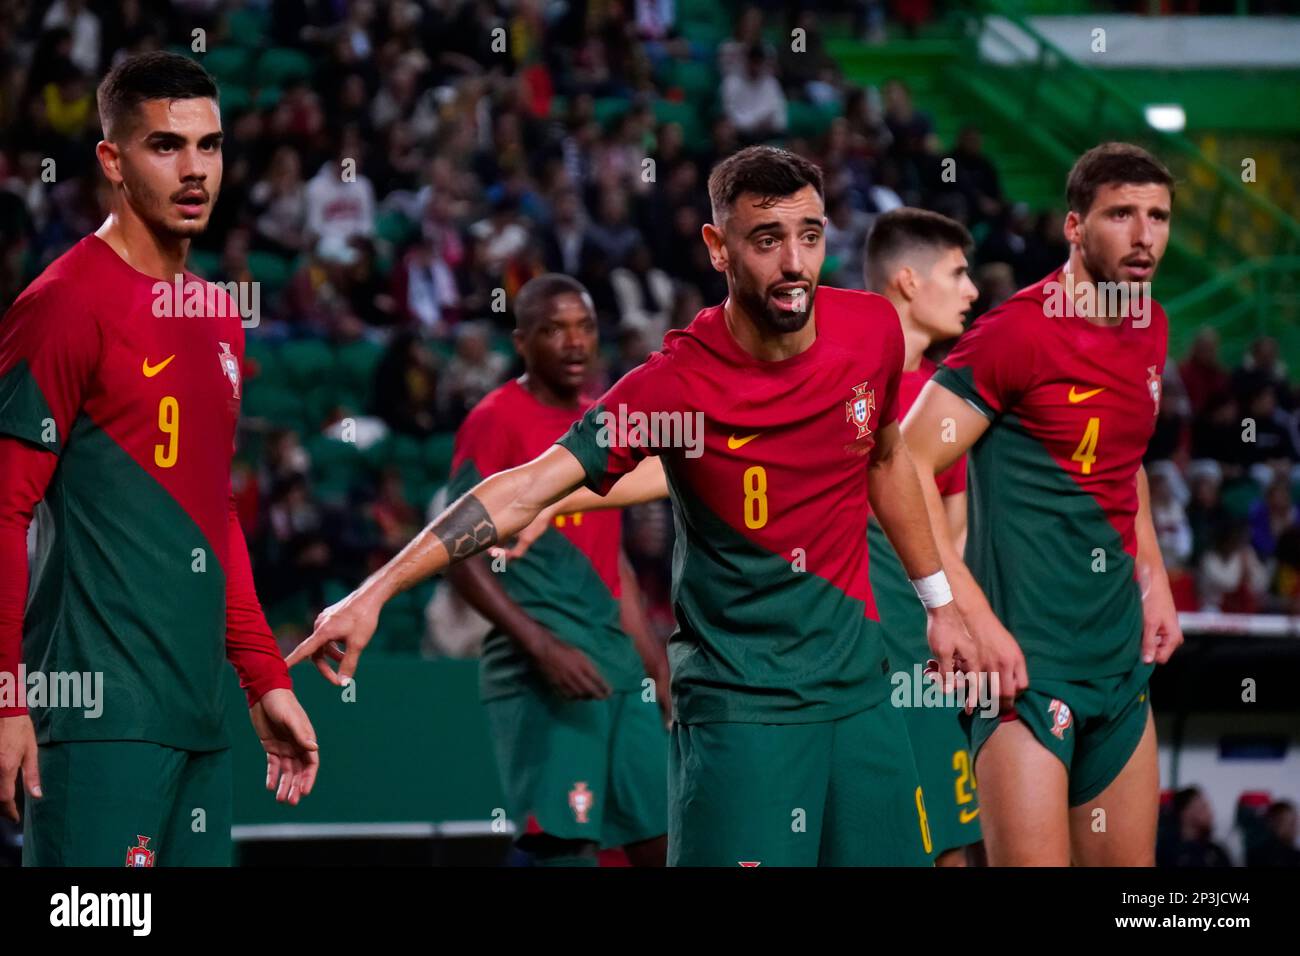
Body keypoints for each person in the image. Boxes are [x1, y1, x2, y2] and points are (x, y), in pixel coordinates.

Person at [288, 145, 979, 867]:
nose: (795, 263)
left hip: (861, 698)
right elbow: (523, 487)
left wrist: (940, 603)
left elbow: (888, 457)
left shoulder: (869, 330)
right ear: (719, 247)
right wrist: (375, 591)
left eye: (809, 235)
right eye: (767, 240)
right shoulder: (674, 384)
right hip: (742, 711)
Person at [0, 52, 319, 866]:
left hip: (200, 716)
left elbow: (214, 511)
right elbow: (5, 508)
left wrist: (263, 674)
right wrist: (6, 697)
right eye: (165, 146)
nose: (194, 170)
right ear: (111, 158)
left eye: (208, 146)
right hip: (97, 716)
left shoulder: (217, 314)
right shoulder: (62, 305)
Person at [903, 142, 1185, 866]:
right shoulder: (1017, 333)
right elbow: (903, 463)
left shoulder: (1150, 326)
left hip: (1120, 667)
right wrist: (968, 613)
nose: (1143, 234)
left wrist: (1153, 579)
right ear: (1073, 226)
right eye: (1121, 214)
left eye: (1158, 216)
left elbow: (1128, 463)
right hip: (1024, 672)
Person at [443, 274, 670, 867]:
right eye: (554, 330)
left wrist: (657, 668)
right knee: (566, 850)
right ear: (521, 342)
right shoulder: (495, 420)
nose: (574, 343)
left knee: (667, 841)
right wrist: (543, 649)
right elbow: (456, 555)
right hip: (542, 672)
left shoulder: (602, 419)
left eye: (585, 327)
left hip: (618, 670)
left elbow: (612, 560)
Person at [862, 208, 983, 866]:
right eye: (958, 274)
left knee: (952, 851)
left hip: (929, 667)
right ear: (908, 281)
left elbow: (954, 537)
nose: (972, 290)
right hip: (852, 665)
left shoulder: (949, 396)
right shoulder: (834, 378)